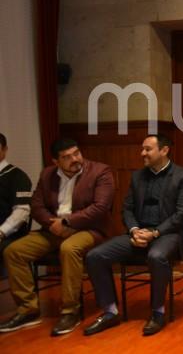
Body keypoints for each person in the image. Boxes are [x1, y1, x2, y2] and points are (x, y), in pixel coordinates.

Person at [83, 134, 183, 336]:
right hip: (138, 233)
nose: (142, 153)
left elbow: (182, 215)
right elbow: (127, 209)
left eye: (147, 149)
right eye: (142, 148)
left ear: (164, 150)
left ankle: (157, 313)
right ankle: (110, 312)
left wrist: (155, 233)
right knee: (95, 256)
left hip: (169, 234)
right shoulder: (137, 176)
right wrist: (135, 230)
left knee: (157, 256)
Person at [0, 138, 114, 336]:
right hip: (53, 229)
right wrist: (53, 224)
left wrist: (67, 222)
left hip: (88, 229)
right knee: (14, 251)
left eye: (76, 153)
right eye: (67, 157)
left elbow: (100, 207)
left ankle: (71, 311)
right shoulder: (47, 175)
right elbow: (36, 206)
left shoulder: (100, 171)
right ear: (56, 161)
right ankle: (28, 309)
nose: (74, 159)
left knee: (69, 249)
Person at [0, 133, 33, 258]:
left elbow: (21, 212)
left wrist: (1, 232)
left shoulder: (17, 176)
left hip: (8, 234)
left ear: (5, 150)